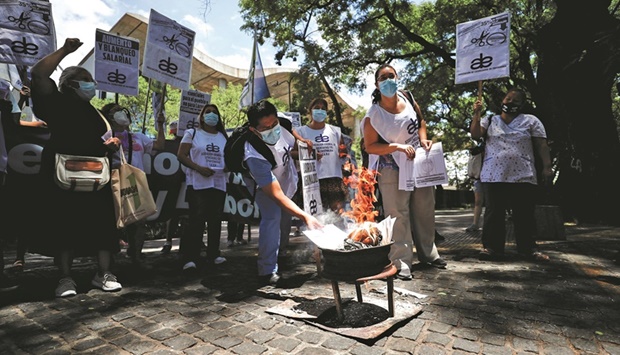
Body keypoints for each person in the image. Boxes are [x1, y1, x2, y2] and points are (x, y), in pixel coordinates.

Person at [29, 38, 122, 297]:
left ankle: (103, 273)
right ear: (70, 84)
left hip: (95, 173)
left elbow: (95, 141)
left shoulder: (94, 112)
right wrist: (66, 51)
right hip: (61, 172)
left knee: (102, 223)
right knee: (64, 223)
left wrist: (110, 146)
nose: (91, 85)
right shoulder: (54, 101)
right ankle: (65, 278)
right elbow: (37, 74)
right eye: (85, 79)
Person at [363, 64, 446, 280]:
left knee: (425, 208)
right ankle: (401, 262)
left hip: (418, 162)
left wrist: (424, 137)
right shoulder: (374, 115)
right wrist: (396, 147)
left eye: (391, 76)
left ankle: (429, 254)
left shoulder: (407, 97)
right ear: (377, 84)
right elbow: (370, 146)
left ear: (397, 77)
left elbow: (421, 121)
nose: (388, 80)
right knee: (398, 215)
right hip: (391, 168)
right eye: (383, 77)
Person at [243, 100, 323, 285]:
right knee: (272, 218)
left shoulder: (284, 123)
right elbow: (276, 195)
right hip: (265, 187)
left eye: (274, 124)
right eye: (266, 128)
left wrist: (304, 144)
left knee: (285, 220)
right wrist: (305, 217)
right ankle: (267, 269)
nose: (273, 129)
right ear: (254, 129)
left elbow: (292, 138)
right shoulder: (253, 154)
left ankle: (281, 253)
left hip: (286, 179)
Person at [470, 88, 553, 261]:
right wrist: (476, 114)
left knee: (524, 214)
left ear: (522, 105)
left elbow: (542, 145)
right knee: (494, 214)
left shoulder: (531, 121)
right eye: (508, 99)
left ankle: (528, 249)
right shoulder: (490, 120)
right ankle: (492, 249)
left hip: (523, 175)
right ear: (502, 101)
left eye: (515, 101)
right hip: (494, 175)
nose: (510, 103)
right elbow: (475, 134)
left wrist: (547, 167)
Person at [100, 103, 165, 268]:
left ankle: (136, 256)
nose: (121, 113)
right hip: (112, 182)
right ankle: (110, 259)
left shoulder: (138, 136)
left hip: (135, 183)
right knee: (111, 221)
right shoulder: (105, 135)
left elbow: (159, 146)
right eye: (116, 111)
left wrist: (160, 125)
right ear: (109, 117)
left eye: (122, 111)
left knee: (139, 220)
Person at [177, 104, 228, 271]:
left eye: (215, 112)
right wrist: (199, 168)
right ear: (202, 116)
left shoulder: (223, 136)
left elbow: (229, 158)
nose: (211, 115)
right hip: (198, 183)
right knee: (196, 221)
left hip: (218, 183)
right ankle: (190, 257)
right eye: (208, 112)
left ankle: (214, 254)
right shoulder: (192, 133)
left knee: (215, 220)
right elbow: (181, 155)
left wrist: (228, 166)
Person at [295, 98, 349, 213]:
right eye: (316, 108)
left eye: (323, 109)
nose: (320, 111)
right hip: (312, 181)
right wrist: (310, 155)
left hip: (334, 179)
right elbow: (292, 153)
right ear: (310, 111)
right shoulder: (301, 132)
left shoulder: (335, 131)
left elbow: (343, 153)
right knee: (314, 216)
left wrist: (344, 155)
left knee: (336, 216)